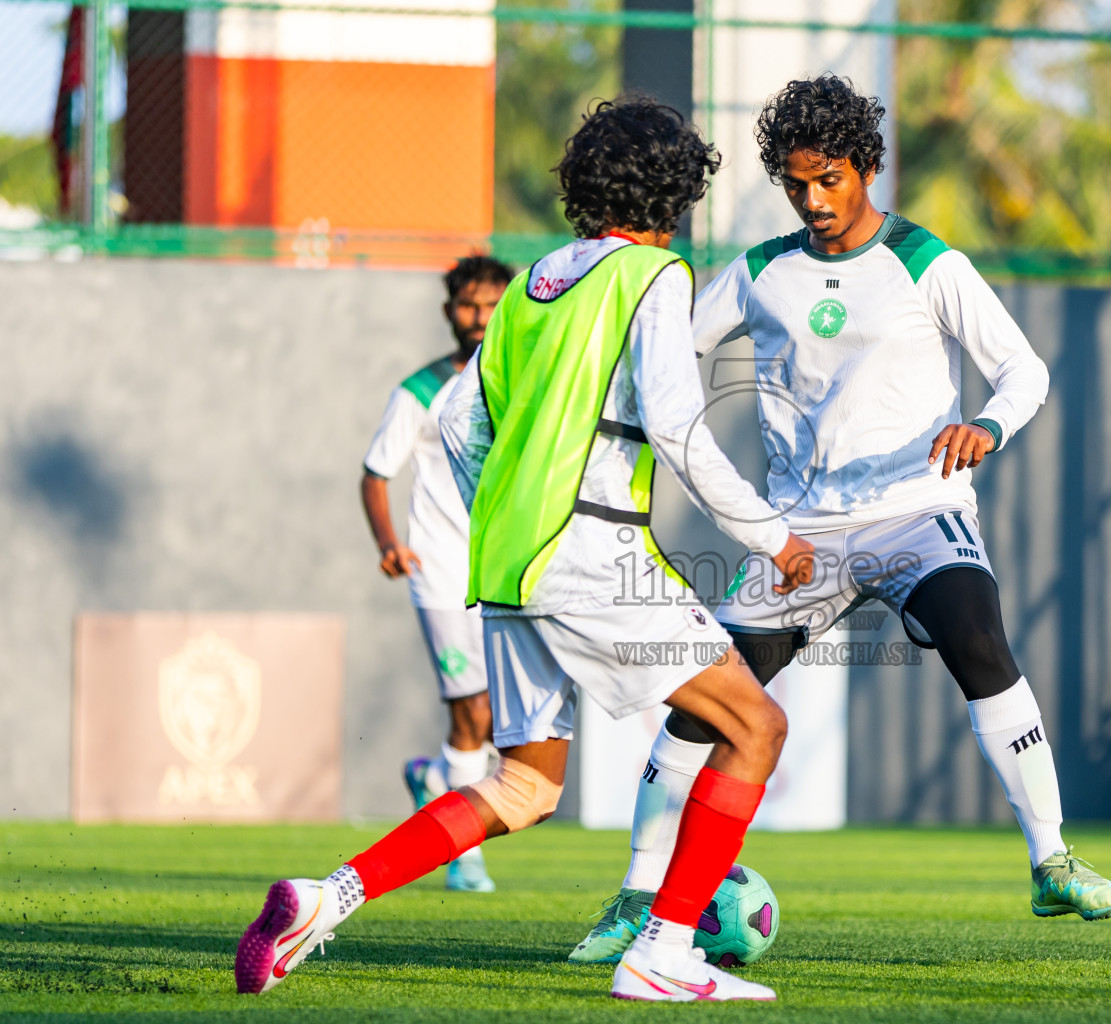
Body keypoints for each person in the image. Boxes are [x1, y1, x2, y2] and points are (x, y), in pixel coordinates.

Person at [235, 96, 815, 1002]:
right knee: (756, 724)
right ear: (677, 186)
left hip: (508, 564)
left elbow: (463, 421)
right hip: (591, 549)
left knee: (523, 789)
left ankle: (326, 896)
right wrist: (770, 534)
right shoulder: (655, 276)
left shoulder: (540, 278)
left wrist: (504, 518)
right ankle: (662, 953)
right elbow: (676, 426)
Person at [569, 74, 1111, 965]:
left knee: (978, 636)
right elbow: (667, 356)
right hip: (802, 535)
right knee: (709, 705)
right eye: (796, 184)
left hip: (918, 510)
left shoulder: (926, 261)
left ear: (867, 167)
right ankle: (635, 898)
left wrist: (987, 423)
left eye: (828, 179)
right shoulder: (757, 272)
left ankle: (1052, 860)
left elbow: (1023, 371)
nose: (813, 199)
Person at [360, 254, 512, 894]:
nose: (479, 318)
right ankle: (465, 853)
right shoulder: (420, 391)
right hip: (442, 572)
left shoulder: (519, 379)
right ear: (449, 311)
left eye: (490, 305)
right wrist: (389, 542)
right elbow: (375, 473)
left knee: (499, 720)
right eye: (468, 305)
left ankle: (433, 777)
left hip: (506, 572)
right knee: (471, 709)